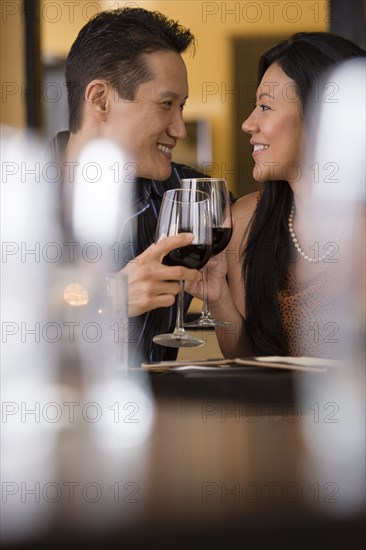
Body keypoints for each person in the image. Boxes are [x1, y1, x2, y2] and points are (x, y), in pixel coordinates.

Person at [192, 32, 366, 359]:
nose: (248, 123)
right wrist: (218, 298)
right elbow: (248, 361)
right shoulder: (245, 222)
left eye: (265, 107)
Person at [48, 7, 206, 364]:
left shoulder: (191, 197)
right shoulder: (15, 198)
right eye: (166, 104)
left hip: (161, 418)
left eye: (181, 107)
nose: (180, 129)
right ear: (100, 99)